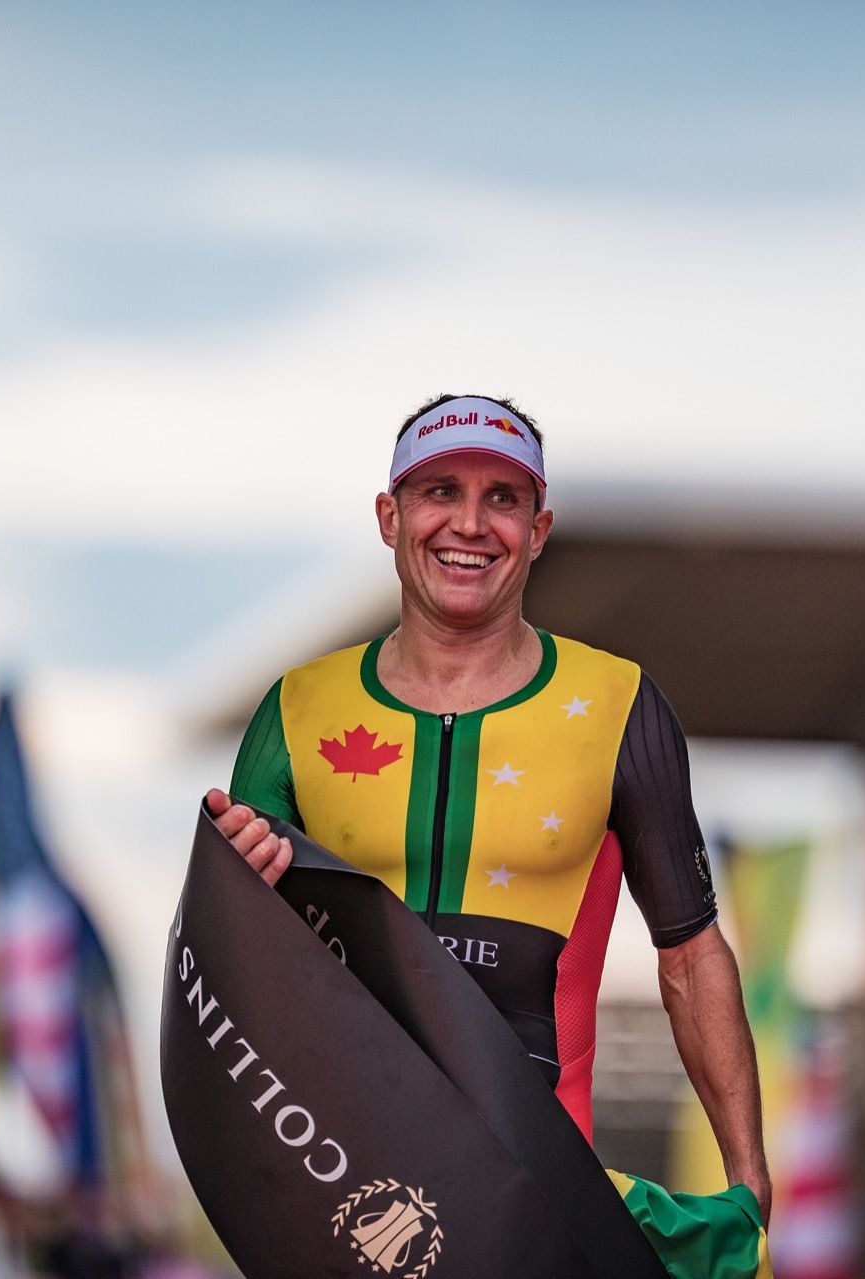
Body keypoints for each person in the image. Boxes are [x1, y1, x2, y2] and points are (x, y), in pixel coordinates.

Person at [208, 392, 773, 1227]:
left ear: (538, 531)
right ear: (390, 517)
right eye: (440, 491)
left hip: (536, 1194)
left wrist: (749, 1179)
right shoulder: (297, 709)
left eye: (502, 498)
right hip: (339, 1181)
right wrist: (233, 895)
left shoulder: (616, 703)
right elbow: (239, 968)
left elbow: (690, 955)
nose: (470, 524)